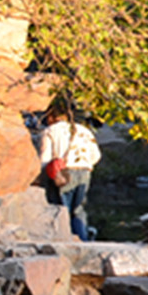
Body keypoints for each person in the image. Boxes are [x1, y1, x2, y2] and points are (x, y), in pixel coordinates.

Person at [37, 103, 101, 241]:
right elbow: (96, 156)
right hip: (84, 171)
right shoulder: (84, 131)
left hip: (63, 172)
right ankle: (83, 240)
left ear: (51, 117)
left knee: (61, 209)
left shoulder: (50, 131)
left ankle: (65, 240)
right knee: (78, 209)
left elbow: (45, 158)